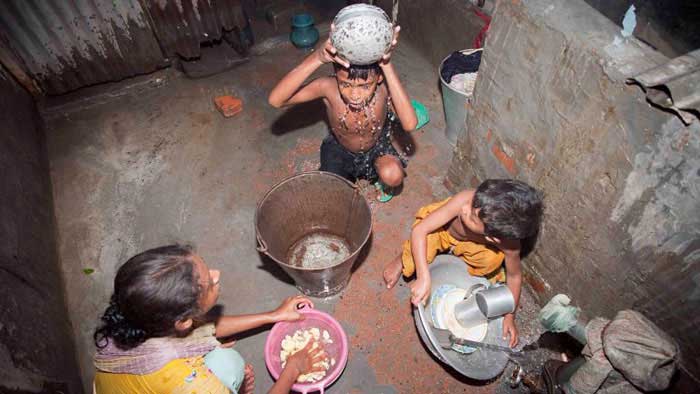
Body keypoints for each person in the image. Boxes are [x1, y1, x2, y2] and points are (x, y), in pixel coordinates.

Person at [93, 244, 326, 393]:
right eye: (209, 283)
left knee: (224, 359)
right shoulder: (191, 384)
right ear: (183, 321)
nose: (216, 274)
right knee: (229, 364)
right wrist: (293, 368)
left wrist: (273, 316)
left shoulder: (136, 313)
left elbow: (202, 328)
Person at [382, 179, 544, 347]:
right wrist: (424, 277)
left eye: (472, 218)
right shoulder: (466, 199)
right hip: (441, 230)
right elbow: (420, 230)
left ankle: (460, 270)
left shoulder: (508, 244)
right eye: (474, 204)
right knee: (417, 252)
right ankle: (401, 259)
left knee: (492, 260)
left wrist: (510, 316)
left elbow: (515, 276)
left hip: (473, 245)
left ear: (493, 238)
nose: (465, 209)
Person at [268, 25, 418, 202]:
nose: (355, 95)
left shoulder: (384, 89)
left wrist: (387, 65)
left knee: (393, 175)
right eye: (346, 85)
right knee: (331, 193)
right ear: (335, 75)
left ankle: (379, 179)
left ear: (378, 79)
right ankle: (343, 178)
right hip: (338, 150)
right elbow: (276, 100)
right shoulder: (327, 87)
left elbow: (410, 124)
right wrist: (317, 58)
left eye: (364, 86)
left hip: (376, 148)